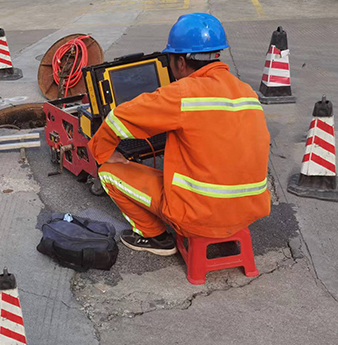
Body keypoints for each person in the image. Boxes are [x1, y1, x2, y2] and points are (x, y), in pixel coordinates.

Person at [88, 13, 271, 256]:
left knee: (108, 173)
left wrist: (103, 153)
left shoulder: (181, 93)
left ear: (181, 62)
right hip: (249, 211)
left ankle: (155, 237)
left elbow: (117, 119)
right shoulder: (246, 92)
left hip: (195, 216)